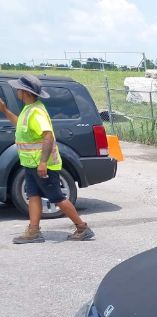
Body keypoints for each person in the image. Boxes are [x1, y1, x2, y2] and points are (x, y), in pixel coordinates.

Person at [0, 74, 94, 244]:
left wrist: (43, 162)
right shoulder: (28, 109)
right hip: (31, 164)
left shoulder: (36, 112)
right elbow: (19, 124)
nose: (17, 91)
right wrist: (5, 110)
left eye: (19, 89)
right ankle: (34, 231)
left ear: (26, 92)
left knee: (57, 197)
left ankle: (82, 227)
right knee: (33, 195)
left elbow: (48, 136)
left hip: (43, 165)